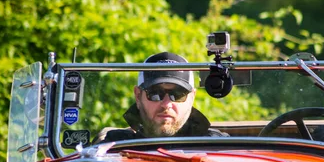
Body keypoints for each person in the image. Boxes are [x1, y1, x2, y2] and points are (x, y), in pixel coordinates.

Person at [94, 52, 228, 143]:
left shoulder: (217, 148)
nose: (166, 103)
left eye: (178, 95)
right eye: (155, 93)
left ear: (192, 97)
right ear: (138, 96)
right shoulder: (112, 149)